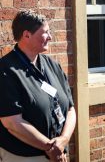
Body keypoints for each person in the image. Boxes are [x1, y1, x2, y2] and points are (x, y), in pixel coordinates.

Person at [0, 10, 76, 162]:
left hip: (58, 153)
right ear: (26, 35)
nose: (50, 37)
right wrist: (49, 147)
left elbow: (70, 108)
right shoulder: (6, 71)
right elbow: (12, 123)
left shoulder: (52, 65)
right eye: (46, 32)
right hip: (24, 157)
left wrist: (62, 141)